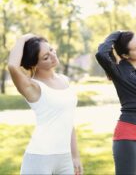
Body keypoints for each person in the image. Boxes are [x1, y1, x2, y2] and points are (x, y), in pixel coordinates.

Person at [8, 33, 83, 175]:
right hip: (39, 158)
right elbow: (12, 66)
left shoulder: (64, 80)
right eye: (46, 57)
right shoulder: (32, 86)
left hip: (65, 157)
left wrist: (75, 156)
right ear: (33, 64)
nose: (53, 56)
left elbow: (68, 121)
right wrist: (23, 39)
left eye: (51, 50)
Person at [95, 31, 136, 175]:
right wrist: (116, 34)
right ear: (125, 55)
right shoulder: (119, 71)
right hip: (128, 136)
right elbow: (101, 54)